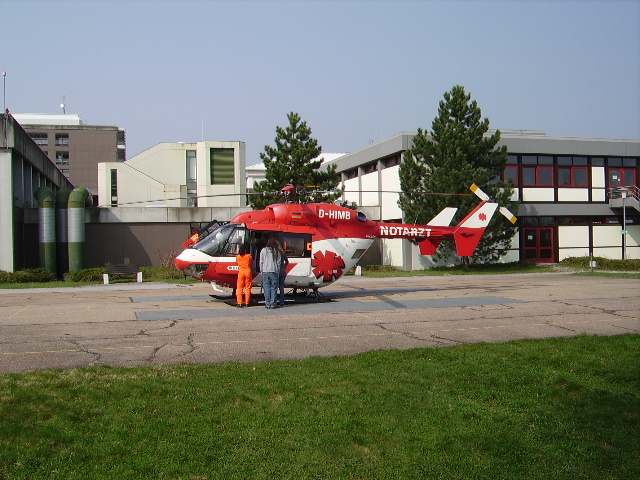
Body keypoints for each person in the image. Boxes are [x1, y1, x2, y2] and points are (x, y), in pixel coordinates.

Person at [259, 238, 281, 309]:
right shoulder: (276, 252)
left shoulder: (263, 250)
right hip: (274, 271)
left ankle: (267, 304)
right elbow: (279, 263)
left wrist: (261, 270)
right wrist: (278, 272)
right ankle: (273, 304)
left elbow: (261, 262)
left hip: (265, 271)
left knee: (266, 288)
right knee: (274, 288)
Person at [276, 240, 289, 306]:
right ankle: (282, 301)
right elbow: (287, 261)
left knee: (274, 287)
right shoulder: (282, 252)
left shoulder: (276, 252)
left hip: (277, 270)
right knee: (281, 287)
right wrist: (284, 267)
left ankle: (274, 301)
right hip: (283, 270)